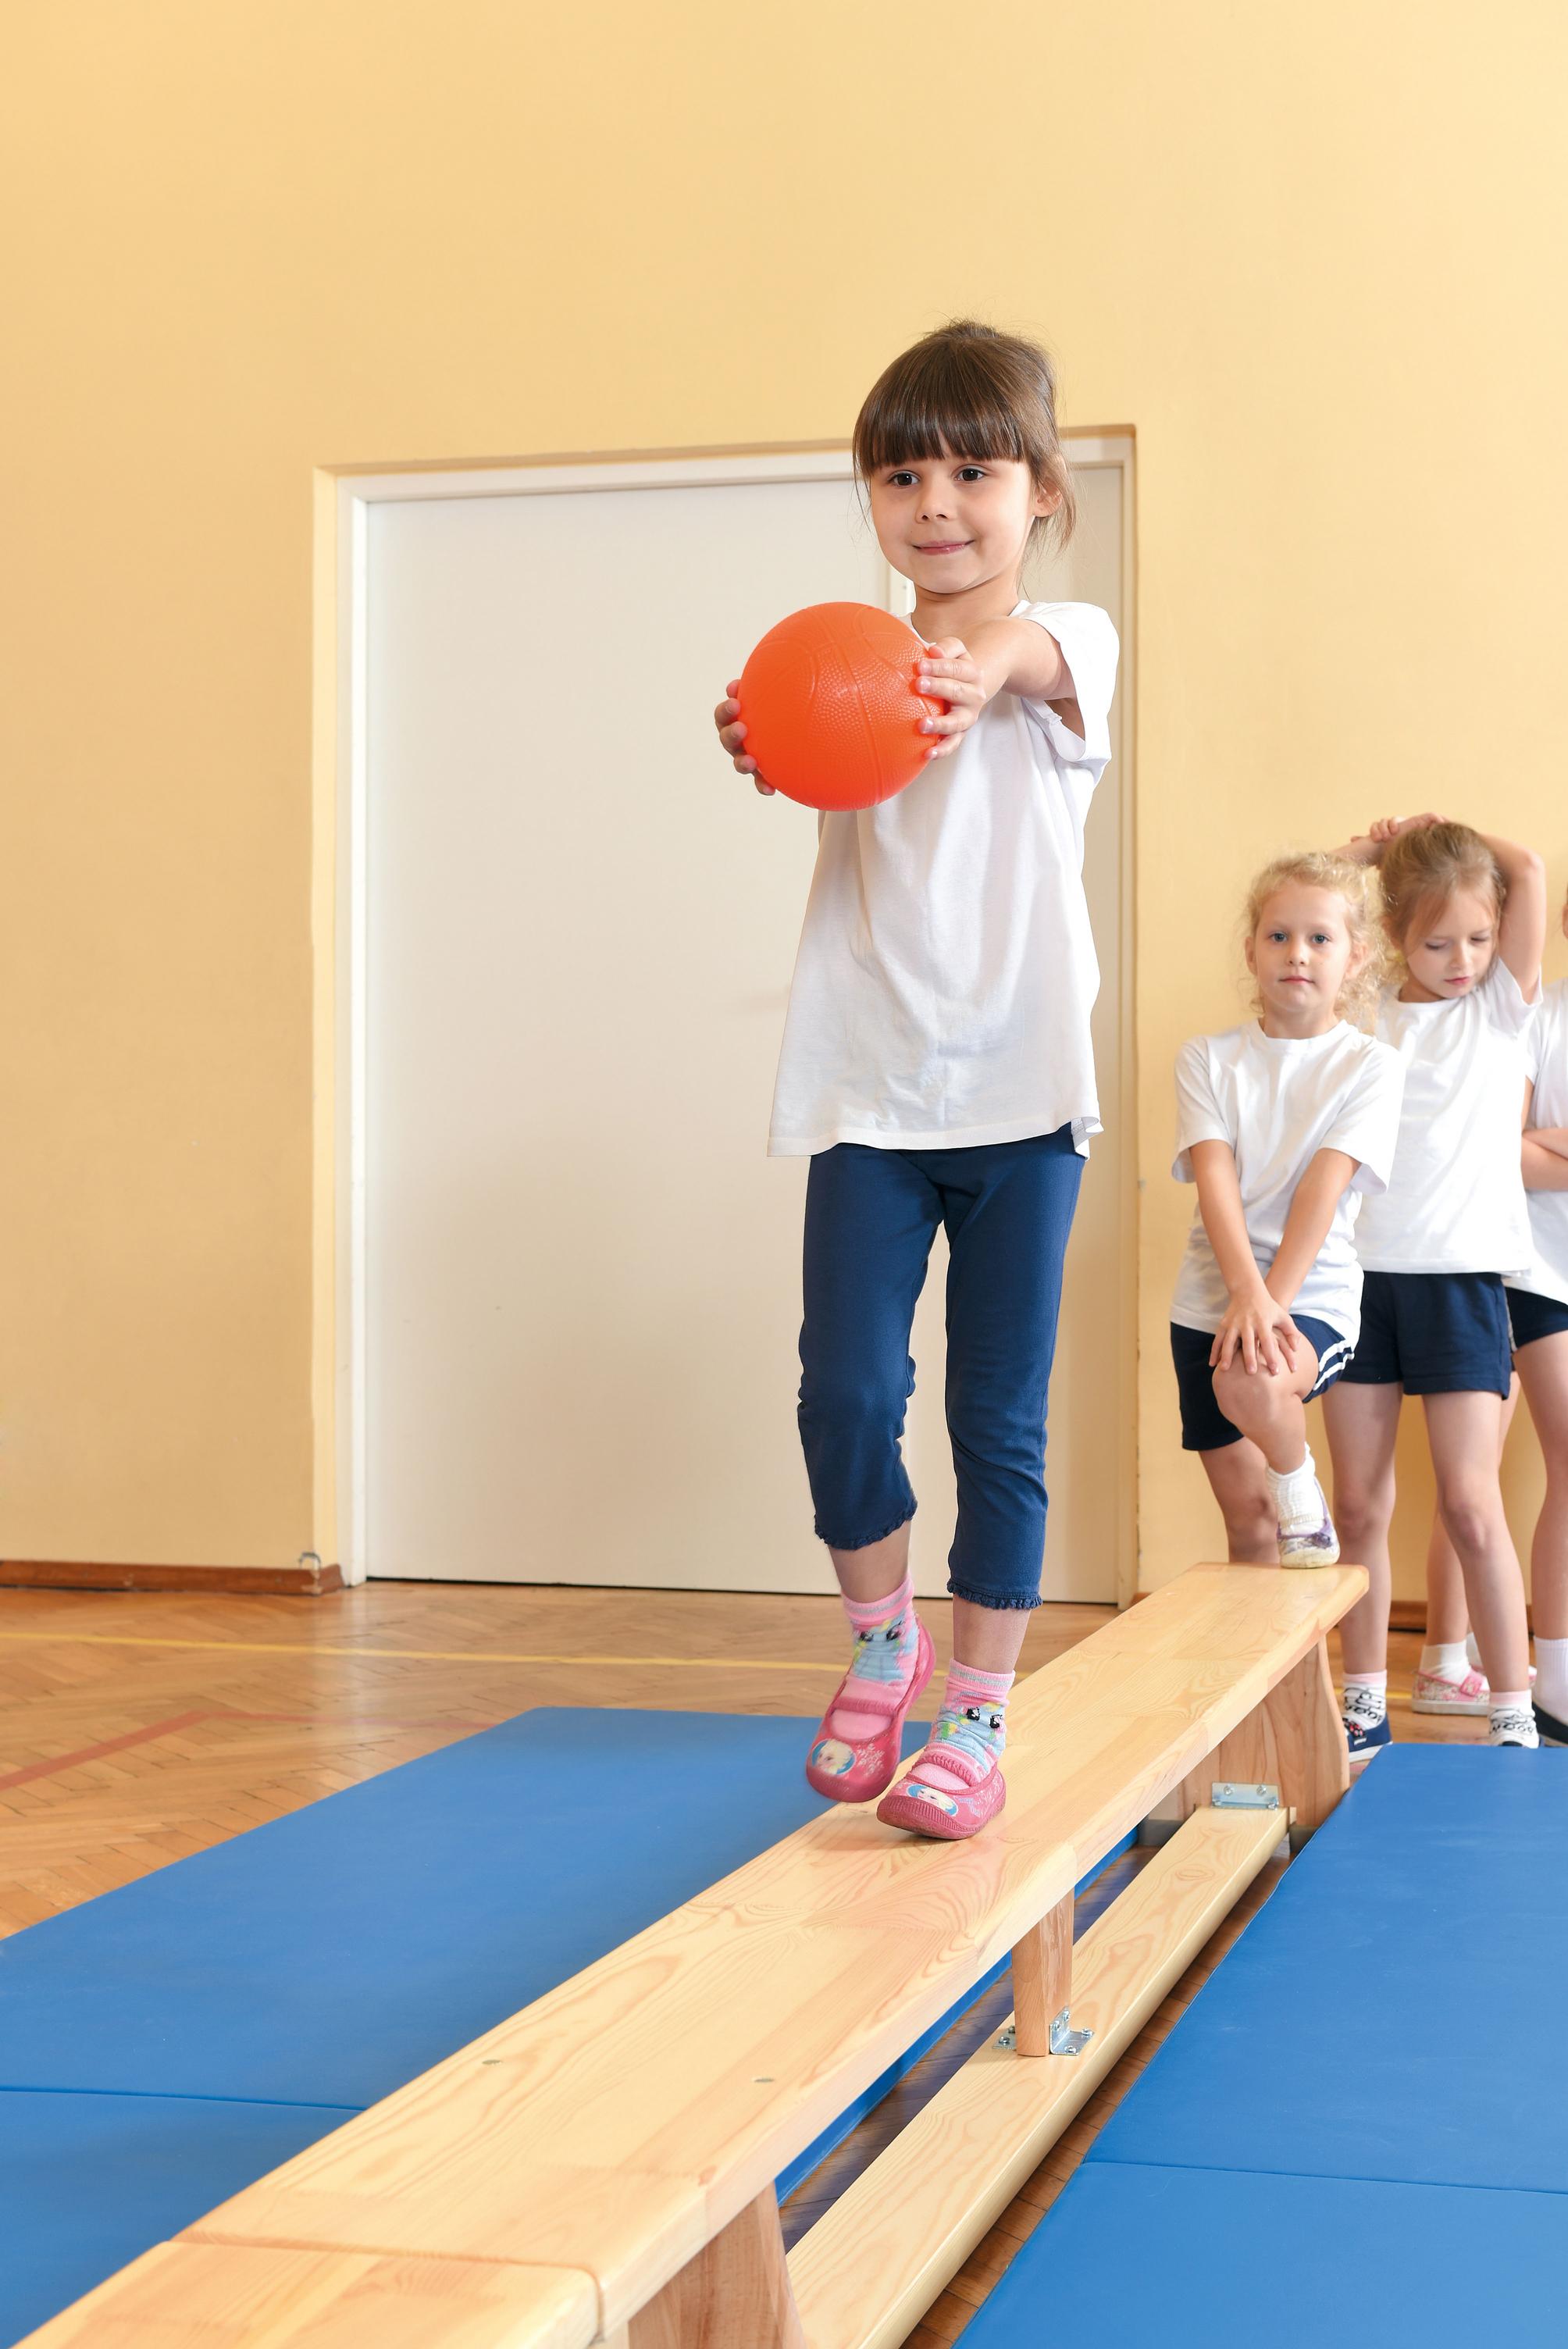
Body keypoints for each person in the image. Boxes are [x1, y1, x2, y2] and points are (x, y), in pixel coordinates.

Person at [713, 319, 1117, 1838]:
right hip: (870, 1098)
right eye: (900, 475)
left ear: (1039, 493)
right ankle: (885, 1646)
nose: (935, 501)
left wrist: (970, 673)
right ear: (868, 498)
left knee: (992, 1419)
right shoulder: (843, 665)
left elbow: (1018, 655)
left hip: (1021, 1106)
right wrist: (758, 719)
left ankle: (978, 1718)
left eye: (971, 469)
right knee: (844, 1393)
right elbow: (789, 728)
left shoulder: (1065, 652)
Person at [1326, 816, 1545, 1758]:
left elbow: (1526, 866)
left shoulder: (1500, 1007)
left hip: (1459, 1284)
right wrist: (1361, 861)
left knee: (1469, 1501)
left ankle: (1512, 1711)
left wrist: (1422, 830)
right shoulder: (1364, 1009)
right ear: (1392, 935)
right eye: (1436, 941)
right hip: (1361, 1282)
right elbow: (1313, 910)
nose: (1461, 959)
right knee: (1359, 1506)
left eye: (1479, 938)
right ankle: (1364, 1701)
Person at [1169, 854, 1402, 1572]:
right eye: (1277, 937)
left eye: (1320, 939)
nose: (1297, 953)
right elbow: (1215, 1182)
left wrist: (1270, 1306)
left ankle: (1299, 1477)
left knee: (1252, 1385)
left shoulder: (1371, 1065)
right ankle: (1285, 1691)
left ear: (1355, 956)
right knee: (1251, 1527)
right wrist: (1242, 1295)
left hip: (1312, 1296)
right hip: (1209, 1303)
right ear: (1252, 950)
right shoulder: (1207, 1058)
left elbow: (1322, 1189)